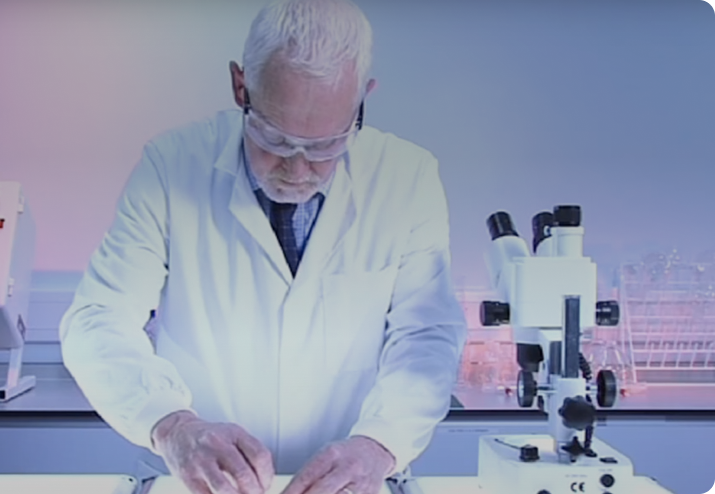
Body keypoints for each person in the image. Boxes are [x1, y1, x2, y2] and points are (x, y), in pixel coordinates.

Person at [59, 1, 468, 493]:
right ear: (240, 86)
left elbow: (427, 338)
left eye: (325, 146)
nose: (296, 169)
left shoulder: (407, 177)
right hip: (205, 484)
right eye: (273, 138)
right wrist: (172, 426)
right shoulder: (172, 166)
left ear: (364, 98)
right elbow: (96, 320)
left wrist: (380, 445)